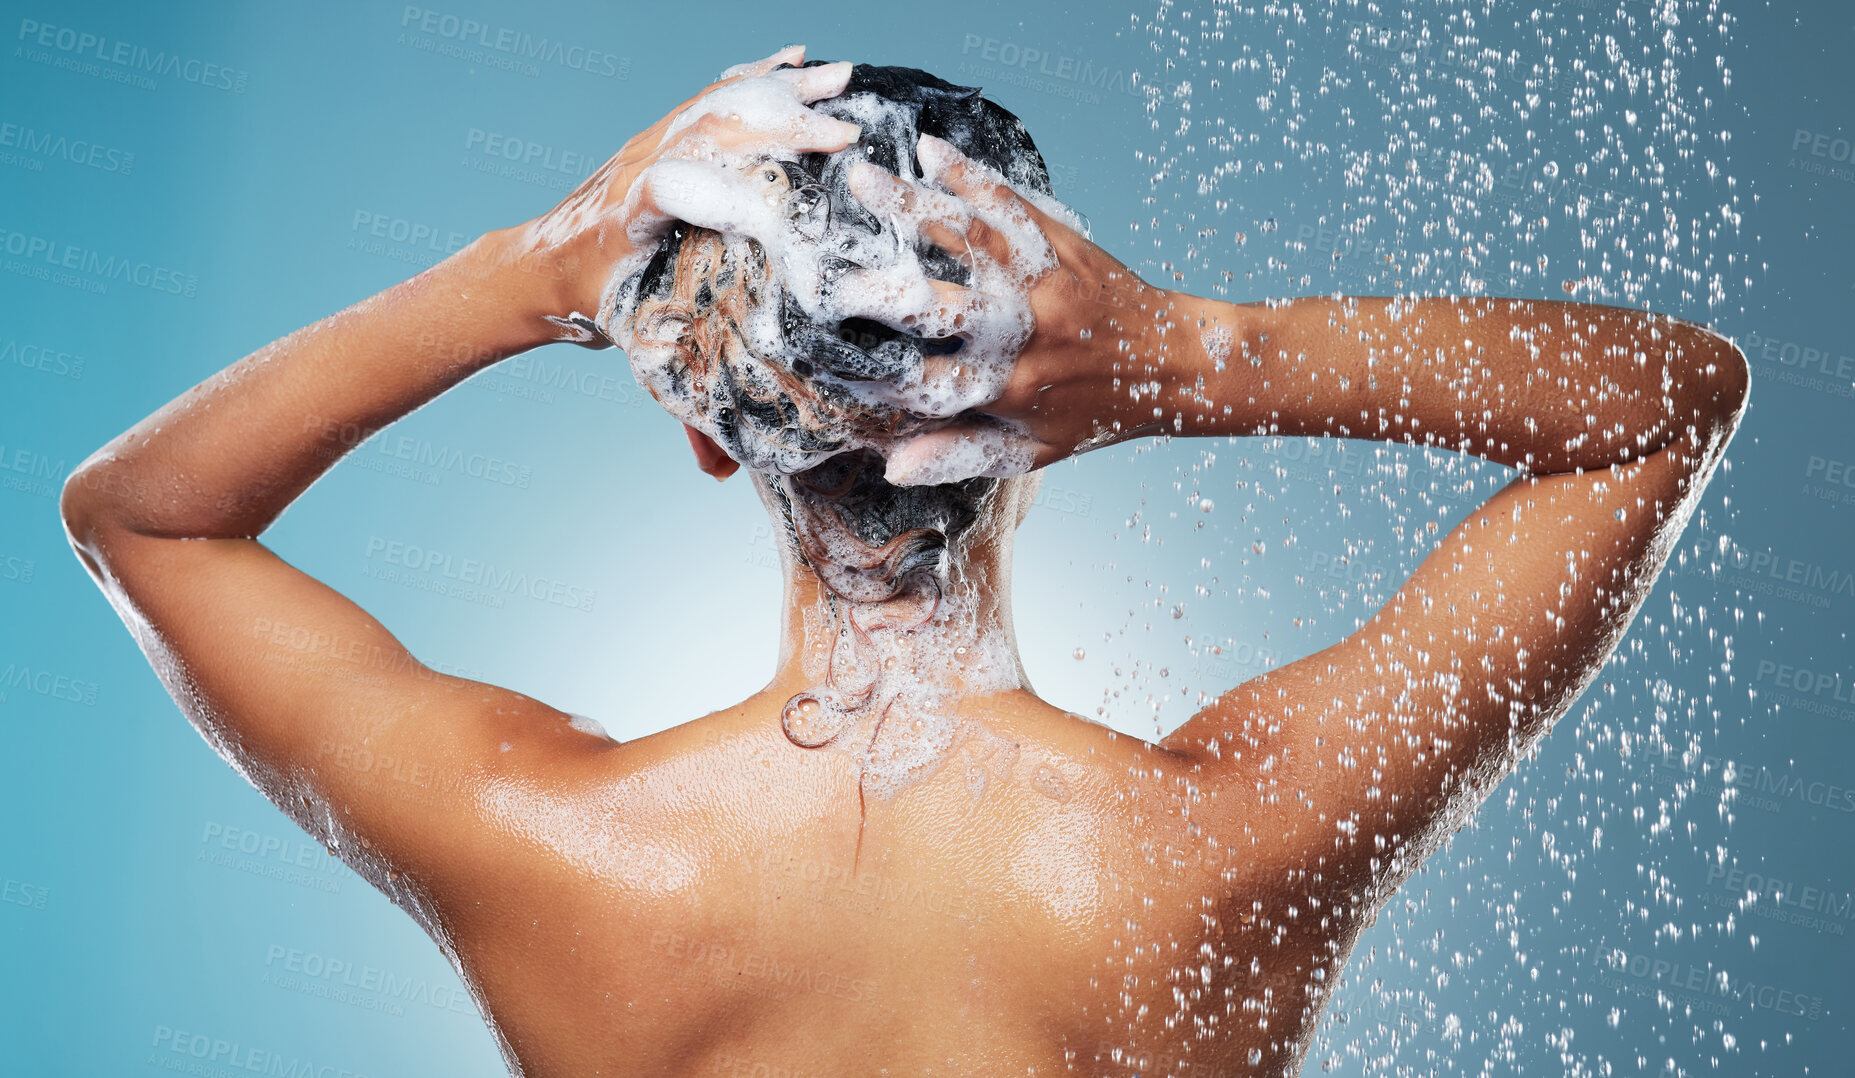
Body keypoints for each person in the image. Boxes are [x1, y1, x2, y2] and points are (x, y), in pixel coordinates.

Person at [61, 44, 1747, 1078]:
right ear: (1048, 404)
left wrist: (545, 265)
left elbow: (147, 513)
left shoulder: (552, 849)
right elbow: (1666, 411)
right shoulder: (1226, 844)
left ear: (710, 425)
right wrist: (1187, 349)